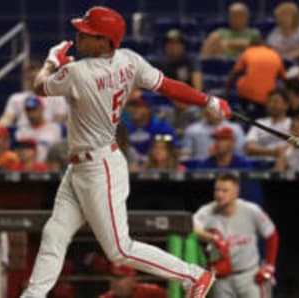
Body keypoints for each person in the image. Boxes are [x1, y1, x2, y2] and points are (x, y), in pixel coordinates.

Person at [20, 6, 231, 298]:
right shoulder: (129, 60)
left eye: (88, 33)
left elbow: (39, 86)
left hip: (99, 167)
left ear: (105, 41)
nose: (80, 35)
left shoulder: (78, 72)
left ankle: (193, 275)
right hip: (83, 165)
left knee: (120, 250)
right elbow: (168, 87)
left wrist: (52, 61)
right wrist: (206, 100)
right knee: (55, 233)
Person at [193, 173, 279, 298]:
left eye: (225, 190)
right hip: (221, 279)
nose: (220, 194)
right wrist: (212, 238)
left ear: (236, 192)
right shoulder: (207, 211)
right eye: (217, 190)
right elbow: (190, 226)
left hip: (249, 276)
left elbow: (271, 234)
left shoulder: (251, 210)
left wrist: (270, 266)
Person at [226, 37, 285, 119]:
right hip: (267, 97)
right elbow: (284, 78)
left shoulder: (248, 51)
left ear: (251, 45)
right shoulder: (275, 54)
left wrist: (225, 90)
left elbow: (234, 73)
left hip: (247, 94)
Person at [0, 60, 69, 127]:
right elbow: (6, 119)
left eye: (36, 77)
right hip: (22, 135)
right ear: (25, 78)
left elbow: (59, 122)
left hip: (47, 135)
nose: (33, 81)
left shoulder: (57, 97)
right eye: (30, 78)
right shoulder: (16, 98)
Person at [245, 89, 291, 163]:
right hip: (259, 164)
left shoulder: (292, 123)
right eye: (269, 101)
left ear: (286, 105)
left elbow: (294, 146)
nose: (272, 104)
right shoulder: (259, 123)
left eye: (276, 101)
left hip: (285, 164)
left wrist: (262, 151)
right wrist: (273, 152)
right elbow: (250, 148)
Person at [15, 95, 62, 163]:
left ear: (42, 109)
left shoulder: (55, 129)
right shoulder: (21, 131)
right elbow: (17, 156)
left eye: (34, 109)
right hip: (26, 170)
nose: (31, 114)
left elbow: (58, 153)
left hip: (48, 169)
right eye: (28, 110)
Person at [98, 264, 167, 298]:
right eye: (113, 278)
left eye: (119, 278)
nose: (114, 282)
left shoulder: (152, 292)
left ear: (133, 280)